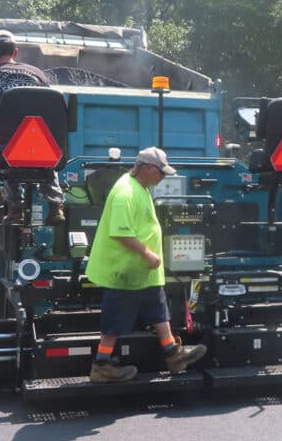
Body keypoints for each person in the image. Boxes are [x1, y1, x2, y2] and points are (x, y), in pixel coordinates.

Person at [85, 147, 207, 383]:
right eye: (161, 173)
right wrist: (149, 254)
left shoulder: (140, 187)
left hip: (141, 270)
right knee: (115, 320)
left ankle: (173, 354)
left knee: (158, 309)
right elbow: (120, 234)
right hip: (125, 270)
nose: (164, 178)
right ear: (149, 169)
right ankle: (101, 366)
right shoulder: (125, 193)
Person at [0, 29, 65, 225]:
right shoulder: (37, 73)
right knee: (47, 162)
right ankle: (56, 206)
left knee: (8, 159)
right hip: (42, 142)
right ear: (15, 52)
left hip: (10, 143)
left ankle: (16, 209)